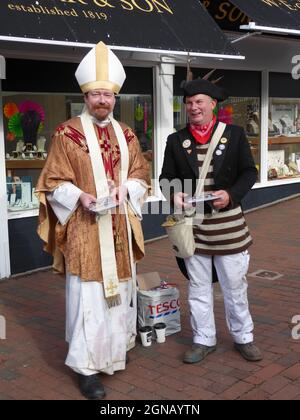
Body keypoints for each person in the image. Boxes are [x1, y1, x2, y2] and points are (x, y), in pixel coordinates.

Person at [36, 41, 150, 399]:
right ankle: (86, 367)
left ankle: (114, 354)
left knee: (119, 295)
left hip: (118, 227)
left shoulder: (127, 134)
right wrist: (80, 197)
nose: (103, 100)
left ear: (115, 98)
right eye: (96, 94)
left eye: (109, 95)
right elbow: (52, 181)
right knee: (89, 298)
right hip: (85, 229)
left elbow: (141, 173)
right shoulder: (66, 134)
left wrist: (125, 190)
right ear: (86, 96)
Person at [159, 77, 262, 364]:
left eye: (199, 102)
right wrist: (174, 194)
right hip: (195, 229)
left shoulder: (236, 134)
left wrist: (230, 194)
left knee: (235, 287)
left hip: (230, 228)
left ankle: (244, 337)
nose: (193, 107)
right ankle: (204, 340)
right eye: (189, 103)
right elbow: (165, 178)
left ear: (212, 104)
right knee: (198, 289)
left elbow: (249, 173)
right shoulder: (176, 140)